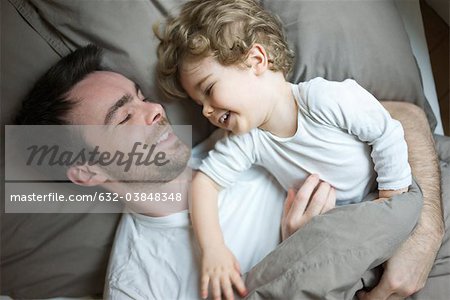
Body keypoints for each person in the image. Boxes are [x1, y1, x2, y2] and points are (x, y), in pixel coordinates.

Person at [15, 45, 443, 300]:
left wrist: (424, 236)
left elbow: (403, 116)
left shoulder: (238, 134)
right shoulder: (138, 285)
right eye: (123, 118)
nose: (154, 111)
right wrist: (293, 249)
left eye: (141, 97)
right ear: (86, 171)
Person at [155, 0, 416, 297]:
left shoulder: (321, 99)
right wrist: (213, 249)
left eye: (209, 90)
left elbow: (386, 132)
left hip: (382, 196)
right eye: (199, 104)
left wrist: (391, 199)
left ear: (256, 60)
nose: (206, 111)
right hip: (341, 229)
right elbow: (204, 184)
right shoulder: (247, 140)